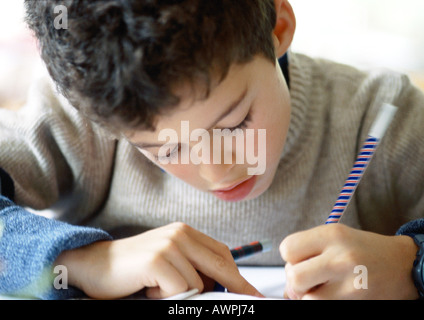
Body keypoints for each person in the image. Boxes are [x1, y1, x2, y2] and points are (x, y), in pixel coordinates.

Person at [1, 0, 423, 300]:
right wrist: (88, 262)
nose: (218, 172)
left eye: (234, 123)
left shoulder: (382, 116)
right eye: (164, 149)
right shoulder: (87, 116)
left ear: (278, 29)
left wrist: (410, 266)